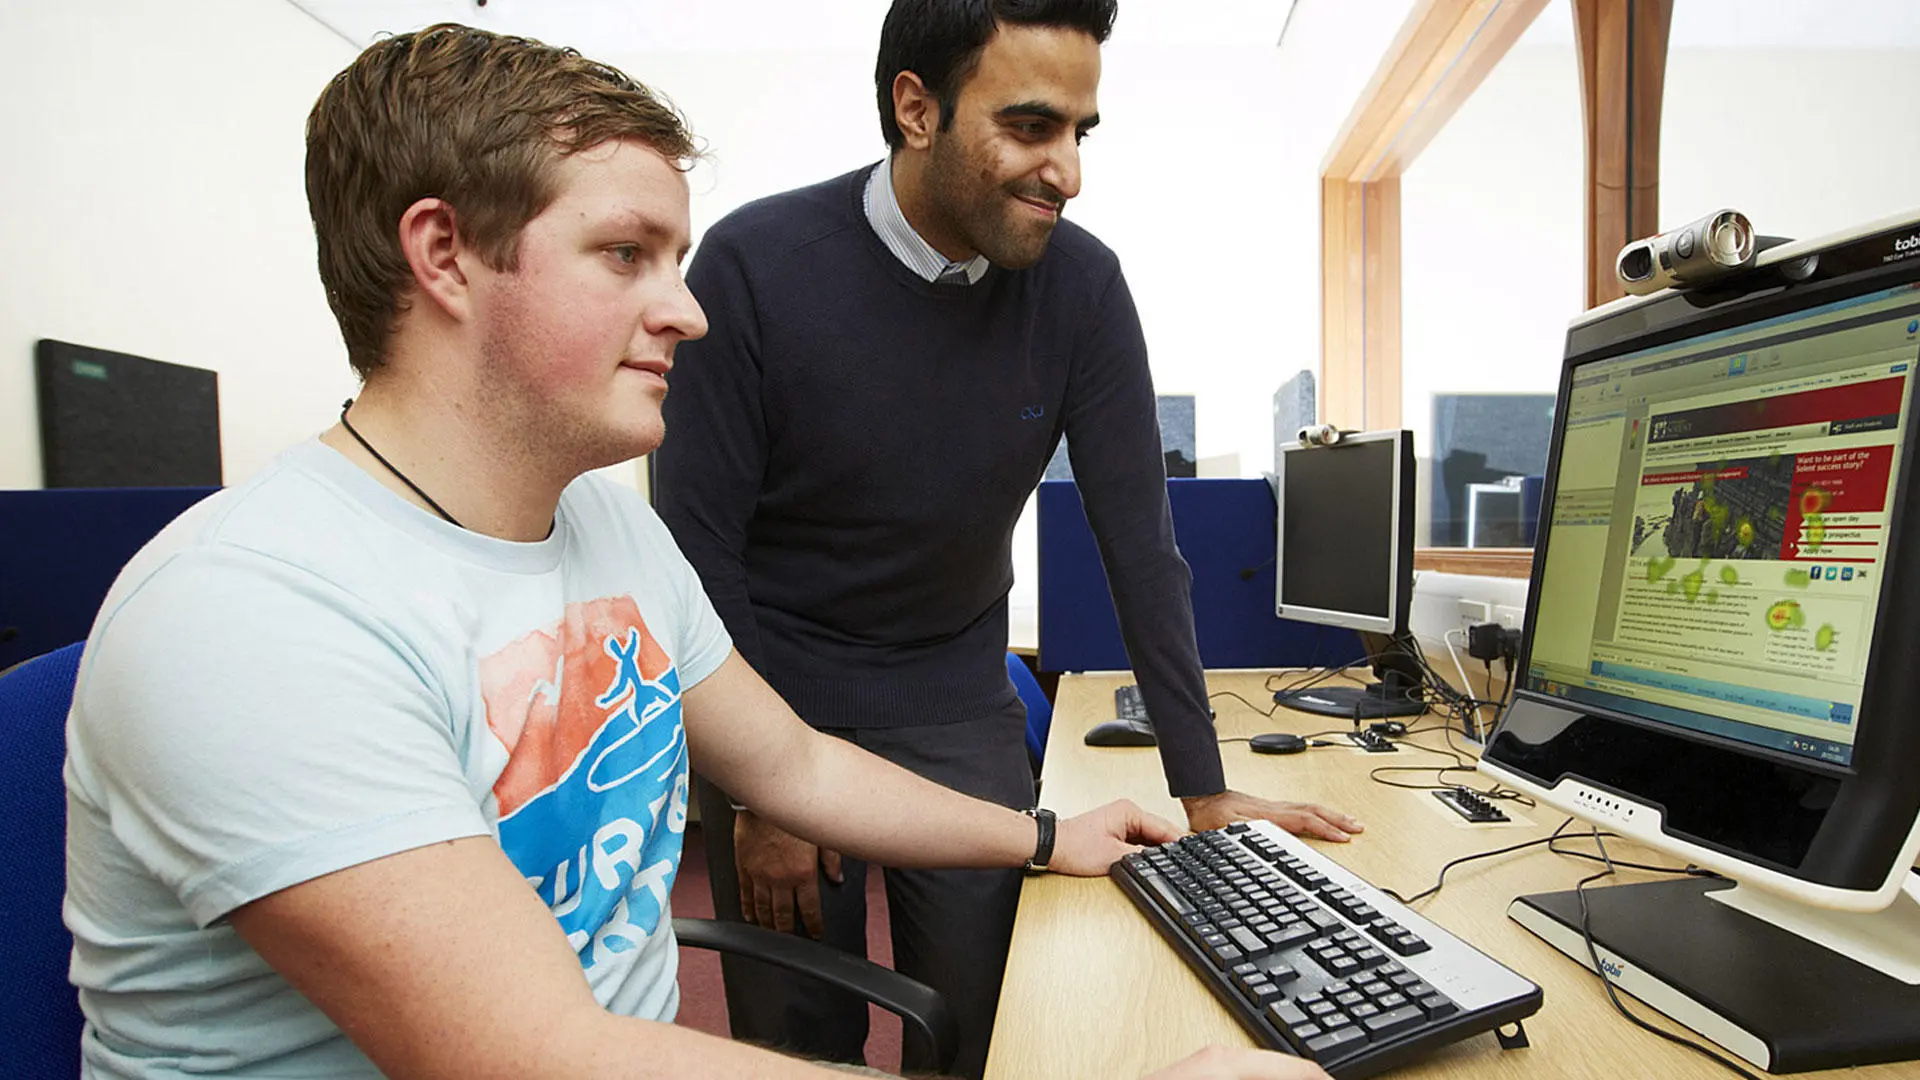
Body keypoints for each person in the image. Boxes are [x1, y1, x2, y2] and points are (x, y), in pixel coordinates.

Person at [58, 23, 1329, 1080]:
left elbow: (795, 759)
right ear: (442, 254)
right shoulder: (251, 619)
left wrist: (1048, 836)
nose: (691, 304)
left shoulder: (603, 530)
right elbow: (537, 1054)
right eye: (626, 256)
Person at [653, 0, 1366, 1076]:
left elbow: (1141, 545)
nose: (1067, 172)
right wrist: (763, 786)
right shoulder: (755, 265)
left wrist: (1204, 789)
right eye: (1032, 127)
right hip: (776, 689)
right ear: (916, 109)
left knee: (989, 1021)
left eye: (1082, 133)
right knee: (802, 1036)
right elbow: (696, 556)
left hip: (953, 691)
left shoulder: (1081, 287)